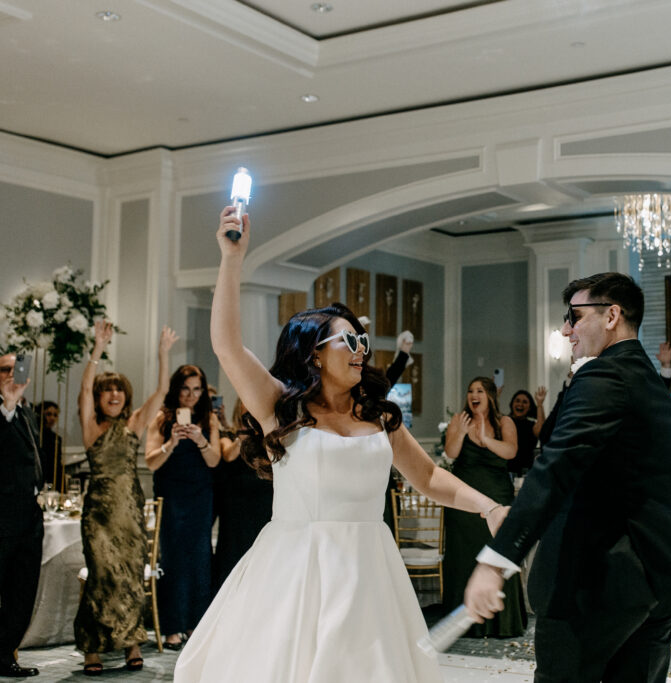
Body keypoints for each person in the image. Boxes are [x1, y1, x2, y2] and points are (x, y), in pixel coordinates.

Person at [173, 205, 507, 682]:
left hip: (369, 572)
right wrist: (232, 258)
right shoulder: (279, 408)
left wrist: (489, 507)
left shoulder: (377, 415)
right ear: (314, 352)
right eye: (348, 343)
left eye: (362, 344)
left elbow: (430, 477)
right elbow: (226, 344)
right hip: (294, 569)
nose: (361, 352)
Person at [464, 272, 671, 683]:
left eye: (574, 316)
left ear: (611, 316)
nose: (567, 329)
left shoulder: (604, 377)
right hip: (657, 575)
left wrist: (496, 560)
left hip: (597, 582)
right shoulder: (650, 381)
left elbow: (555, 467)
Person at [75, 321, 178, 675]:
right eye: (108, 391)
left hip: (131, 514)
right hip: (99, 518)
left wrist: (163, 354)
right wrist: (97, 350)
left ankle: (133, 642)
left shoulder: (134, 424)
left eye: (119, 390)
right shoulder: (91, 428)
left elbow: (163, 389)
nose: (114, 395)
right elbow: (86, 386)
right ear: (100, 398)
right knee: (102, 578)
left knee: (132, 577)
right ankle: (92, 649)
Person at [442, 377, 526, 638]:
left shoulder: (504, 423)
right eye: (470, 391)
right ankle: (463, 622)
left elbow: (511, 451)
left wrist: (483, 439)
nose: (473, 395)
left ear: (490, 395)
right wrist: (461, 432)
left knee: (497, 552)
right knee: (463, 556)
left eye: (479, 391)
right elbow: (451, 453)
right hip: (463, 500)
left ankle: (502, 622)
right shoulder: (460, 419)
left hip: (497, 496)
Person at [145, 365, 221, 650]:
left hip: (200, 496)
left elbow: (214, 461)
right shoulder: (162, 419)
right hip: (171, 495)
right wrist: (172, 442)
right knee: (173, 559)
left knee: (200, 558)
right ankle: (172, 627)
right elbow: (151, 462)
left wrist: (200, 439)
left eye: (197, 389)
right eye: (186, 388)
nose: (191, 395)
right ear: (178, 389)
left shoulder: (208, 418)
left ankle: (195, 623)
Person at [0, 353, 43, 678]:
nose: (12, 374)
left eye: (17, 369)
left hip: (30, 515)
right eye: (5, 369)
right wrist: (7, 408)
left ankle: (4, 655)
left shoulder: (27, 410)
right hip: (2, 516)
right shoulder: (8, 410)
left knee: (23, 590)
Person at [211, 399, 273, 592]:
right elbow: (229, 455)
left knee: (261, 549)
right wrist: (243, 434)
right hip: (235, 503)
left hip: (263, 499)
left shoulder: (268, 436)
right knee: (232, 550)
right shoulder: (228, 434)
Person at [506, 387, 547, 477]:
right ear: (512, 404)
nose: (520, 404)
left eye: (525, 402)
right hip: (506, 472)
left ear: (529, 407)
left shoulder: (531, 425)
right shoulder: (505, 422)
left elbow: (542, 431)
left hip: (526, 472)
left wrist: (539, 404)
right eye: (517, 401)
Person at [34, 401, 63, 488]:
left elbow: (58, 465)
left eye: (55, 415)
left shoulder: (57, 438)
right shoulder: (34, 436)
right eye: (48, 414)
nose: (52, 418)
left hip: (54, 481)